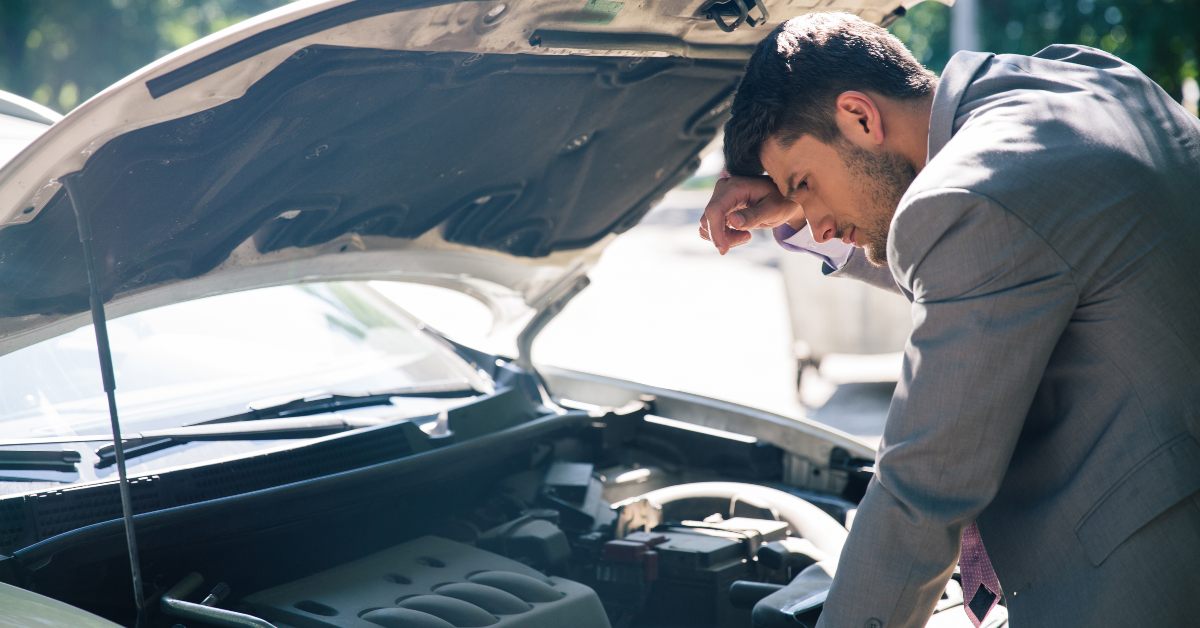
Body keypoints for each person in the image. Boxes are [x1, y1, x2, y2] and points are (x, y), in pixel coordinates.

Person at [700, 12, 1200, 628]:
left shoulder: (970, 198)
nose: (817, 222)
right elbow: (996, 256)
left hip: (1146, 577)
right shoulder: (1083, 81)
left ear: (860, 115)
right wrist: (794, 199)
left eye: (805, 183)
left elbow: (924, 490)